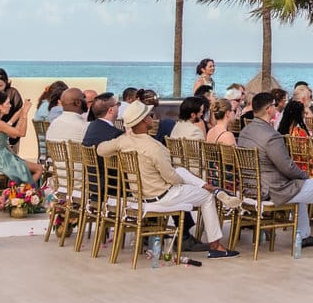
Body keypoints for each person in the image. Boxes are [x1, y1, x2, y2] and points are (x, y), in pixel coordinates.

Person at [96, 100, 238, 258]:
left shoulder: (123, 141)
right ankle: (215, 245)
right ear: (144, 121)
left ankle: (209, 187)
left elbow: (101, 149)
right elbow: (171, 179)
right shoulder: (155, 147)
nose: (152, 117)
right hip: (160, 196)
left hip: (140, 195)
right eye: (150, 115)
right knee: (205, 196)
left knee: (181, 170)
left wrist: (123, 142)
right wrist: (184, 182)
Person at [239, 90, 313, 253]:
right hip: (273, 189)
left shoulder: (245, 132)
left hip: (252, 187)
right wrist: (306, 177)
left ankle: (302, 234)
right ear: (269, 109)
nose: (276, 109)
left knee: (300, 185)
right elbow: (287, 166)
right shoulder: (271, 136)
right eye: (274, 106)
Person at [0, 92, 41, 184]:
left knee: (31, 168)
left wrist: (22, 113)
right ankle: (23, 192)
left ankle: (20, 190)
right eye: (7, 103)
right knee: (38, 168)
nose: (10, 106)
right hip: (2, 160)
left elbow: (14, 134)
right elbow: (22, 133)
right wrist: (25, 114)